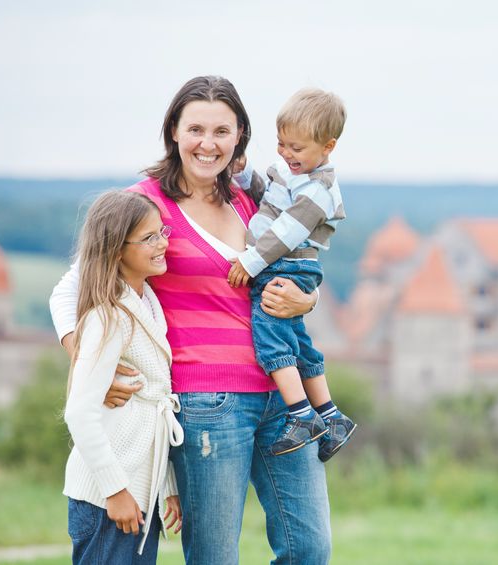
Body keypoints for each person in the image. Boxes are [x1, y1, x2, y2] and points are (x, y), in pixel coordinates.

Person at [51, 76, 331, 564]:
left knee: (310, 548)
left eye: (222, 131)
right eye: (196, 129)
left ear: (240, 136)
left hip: (285, 400)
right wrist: (88, 363)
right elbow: (69, 289)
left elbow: (290, 272)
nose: (208, 143)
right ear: (174, 133)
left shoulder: (255, 200)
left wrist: (306, 302)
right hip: (208, 403)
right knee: (214, 557)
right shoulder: (144, 205)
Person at [227, 88, 356, 460]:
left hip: (286, 263)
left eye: (296, 148)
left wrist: (250, 262)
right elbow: (269, 196)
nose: (286, 154)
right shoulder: (293, 172)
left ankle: (302, 416)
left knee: (270, 339)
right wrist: (244, 174)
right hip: (289, 264)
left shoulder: (319, 189)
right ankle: (332, 418)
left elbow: (287, 232)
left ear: (327, 147)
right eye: (282, 144)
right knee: (298, 343)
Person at [62, 190, 183, 563]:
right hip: (108, 498)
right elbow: (79, 414)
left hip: (137, 494)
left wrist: (168, 488)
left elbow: (152, 414)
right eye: (149, 238)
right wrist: (115, 490)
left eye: (162, 232)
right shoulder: (109, 315)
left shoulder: (147, 303)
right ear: (116, 250)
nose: (163, 243)